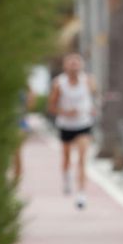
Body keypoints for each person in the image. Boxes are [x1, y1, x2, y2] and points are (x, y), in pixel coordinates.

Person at [49, 52, 99, 208]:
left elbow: (95, 97)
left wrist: (93, 108)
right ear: (65, 66)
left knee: (82, 158)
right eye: (71, 63)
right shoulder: (59, 83)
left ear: (81, 65)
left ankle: (82, 194)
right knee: (66, 157)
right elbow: (51, 107)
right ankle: (66, 178)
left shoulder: (88, 80)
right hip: (66, 125)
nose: (74, 66)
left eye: (76, 63)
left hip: (83, 124)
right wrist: (65, 112)